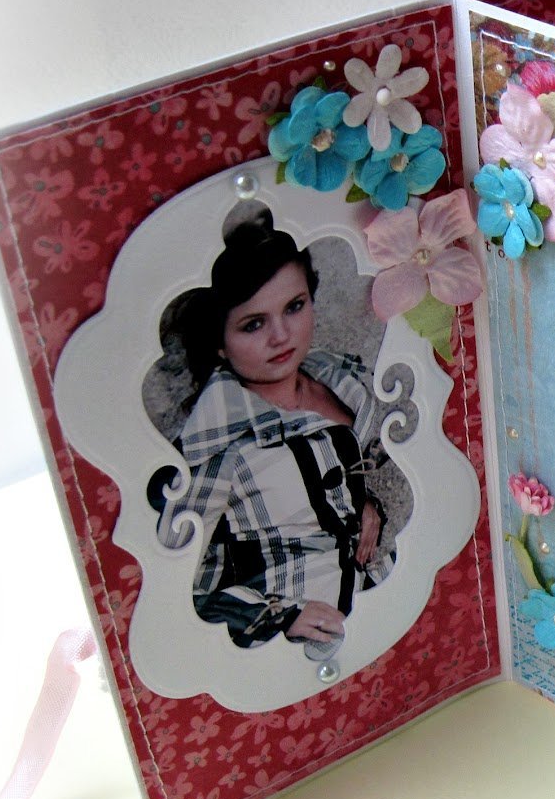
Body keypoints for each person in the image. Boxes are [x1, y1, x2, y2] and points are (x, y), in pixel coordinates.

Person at [156, 207, 391, 662]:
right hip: (296, 653)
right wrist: (277, 617)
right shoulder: (217, 443)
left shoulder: (340, 380)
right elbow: (180, 584)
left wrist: (365, 505)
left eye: (294, 306)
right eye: (253, 324)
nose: (282, 335)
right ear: (219, 342)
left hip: (374, 603)